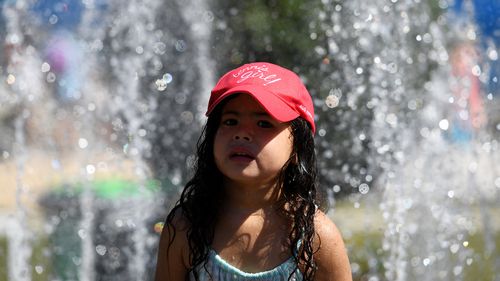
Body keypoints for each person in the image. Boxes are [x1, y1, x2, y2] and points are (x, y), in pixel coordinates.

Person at [154, 62, 352, 281]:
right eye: (230, 121)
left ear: (298, 147)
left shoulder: (316, 237)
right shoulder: (186, 227)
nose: (242, 134)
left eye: (263, 123)